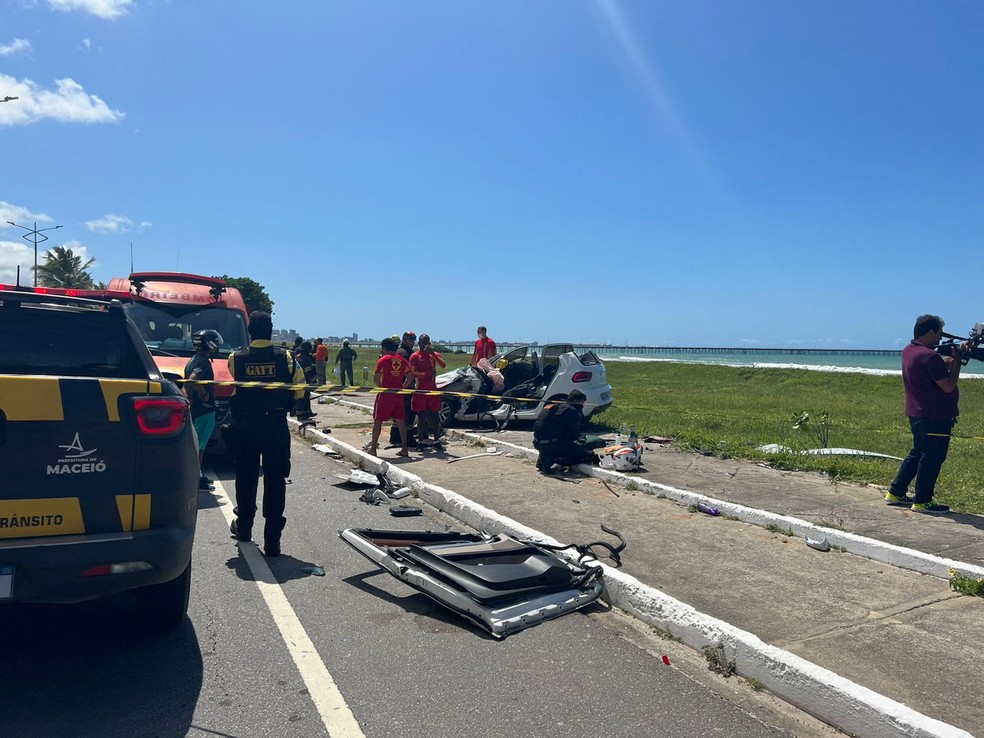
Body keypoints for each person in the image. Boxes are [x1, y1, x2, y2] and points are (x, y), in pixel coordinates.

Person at [227, 311, 305, 556]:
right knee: (275, 481)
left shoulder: (235, 358)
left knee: (246, 478)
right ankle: (273, 541)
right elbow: (301, 390)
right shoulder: (288, 358)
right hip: (275, 427)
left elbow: (230, 391)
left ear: (250, 331)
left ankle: (244, 528)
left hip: (246, 427)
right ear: (270, 331)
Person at [885, 315, 964, 514]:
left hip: (917, 414)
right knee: (932, 458)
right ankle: (923, 500)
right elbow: (947, 386)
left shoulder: (910, 352)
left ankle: (896, 491)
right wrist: (957, 364)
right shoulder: (930, 356)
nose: (939, 339)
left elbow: (933, 367)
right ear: (930, 332)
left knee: (918, 453)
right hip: (935, 416)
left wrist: (951, 359)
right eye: (938, 334)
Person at [184, 329, 223, 491]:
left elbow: (186, 383)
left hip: (195, 409)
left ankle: (198, 475)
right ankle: (196, 479)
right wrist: (205, 394)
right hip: (204, 411)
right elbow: (193, 380)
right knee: (198, 447)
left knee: (196, 444)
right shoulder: (203, 362)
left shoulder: (192, 360)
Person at [532, 389, 605, 474]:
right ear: (576, 401)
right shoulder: (571, 411)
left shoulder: (556, 406)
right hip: (551, 445)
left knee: (552, 443)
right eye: (582, 402)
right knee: (585, 454)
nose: (583, 405)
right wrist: (580, 440)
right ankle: (551, 459)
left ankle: (542, 462)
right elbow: (574, 434)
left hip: (537, 443)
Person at [367, 337, 412, 458]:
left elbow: (376, 379)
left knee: (378, 421)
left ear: (384, 348)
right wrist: (402, 387)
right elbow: (410, 377)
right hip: (398, 394)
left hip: (385, 394)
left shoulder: (383, 360)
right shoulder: (402, 360)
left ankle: (373, 449)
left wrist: (381, 387)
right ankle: (404, 448)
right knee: (400, 422)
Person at [409, 334, 446, 446]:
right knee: (421, 416)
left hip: (433, 389)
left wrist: (433, 354)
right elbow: (413, 373)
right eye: (423, 342)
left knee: (435, 415)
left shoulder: (433, 355)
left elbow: (443, 365)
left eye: (427, 342)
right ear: (419, 343)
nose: (425, 344)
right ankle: (420, 441)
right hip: (420, 389)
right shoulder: (414, 356)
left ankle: (436, 440)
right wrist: (426, 374)